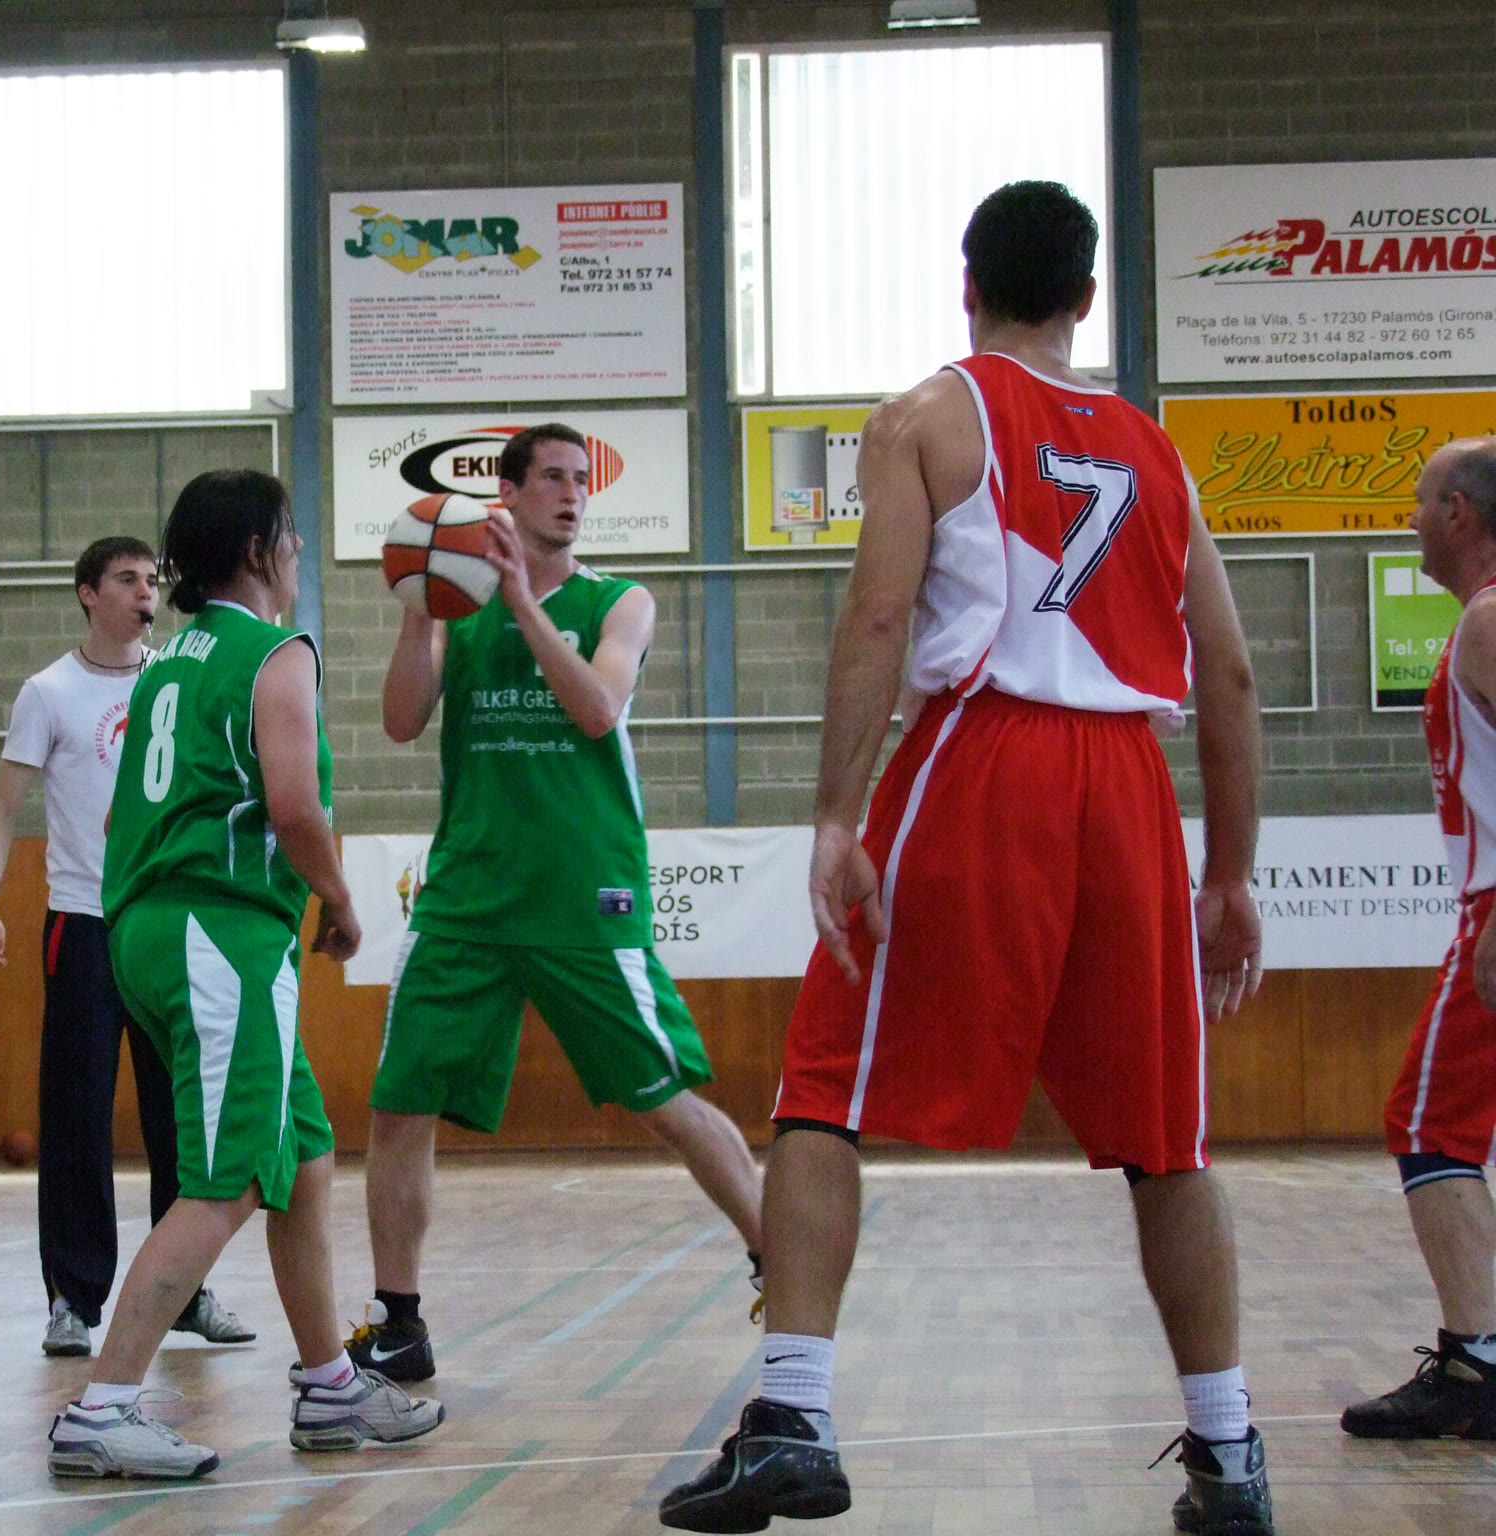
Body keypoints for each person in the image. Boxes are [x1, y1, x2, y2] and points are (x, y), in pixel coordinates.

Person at [657, 182, 1274, 1535]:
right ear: (1087, 298)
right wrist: (1230, 874)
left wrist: (836, 813)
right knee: (1169, 1141)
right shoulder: (1156, 452)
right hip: (1130, 787)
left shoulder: (928, 416)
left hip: (984, 759)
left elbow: (878, 619)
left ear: (967, 284)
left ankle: (794, 1419)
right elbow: (1227, 674)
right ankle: (1230, 1454)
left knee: (824, 1087)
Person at [45, 469, 442, 1480]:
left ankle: (329, 1384)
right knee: (224, 1183)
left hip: (145, 925)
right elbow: (296, 808)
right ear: (261, 550)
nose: (300, 553)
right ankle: (101, 1408)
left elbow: (118, 812)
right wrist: (340, 902)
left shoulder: (163, 664)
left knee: (301, 1157)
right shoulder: (277, 653)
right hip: (218, 934)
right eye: (292, 536)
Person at [361, 421, 764, 1380]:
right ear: (506, 493)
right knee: (399, 1106)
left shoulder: (619, 602)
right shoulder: (459, 610)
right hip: (467, 896)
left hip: (586, 892)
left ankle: (779, 1255)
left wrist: (522, 606)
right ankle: (400, 1322)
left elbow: (596, 708)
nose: (573, 493)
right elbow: (400, 721)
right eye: (551, 477)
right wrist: (420, 609)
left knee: (663, 1097)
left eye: (581, 479)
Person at [0, 535, 252, 1357]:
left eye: (152, 579)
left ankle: (185, 1292)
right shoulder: (48, 692)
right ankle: (73, 1299)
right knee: (76, 1116)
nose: (146, 592)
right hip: (84, 923)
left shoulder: (176, 677)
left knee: (179, 1115)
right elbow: (2, 809)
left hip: (163, 921)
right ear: (88, 594)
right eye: (127, 579)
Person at [1341, 437, 1496, 1441]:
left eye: (1415, 499)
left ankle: (1477, 1362)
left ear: (1457, 513)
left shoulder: (1488, 619)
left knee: (1429, 1122)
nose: (1405, 519)